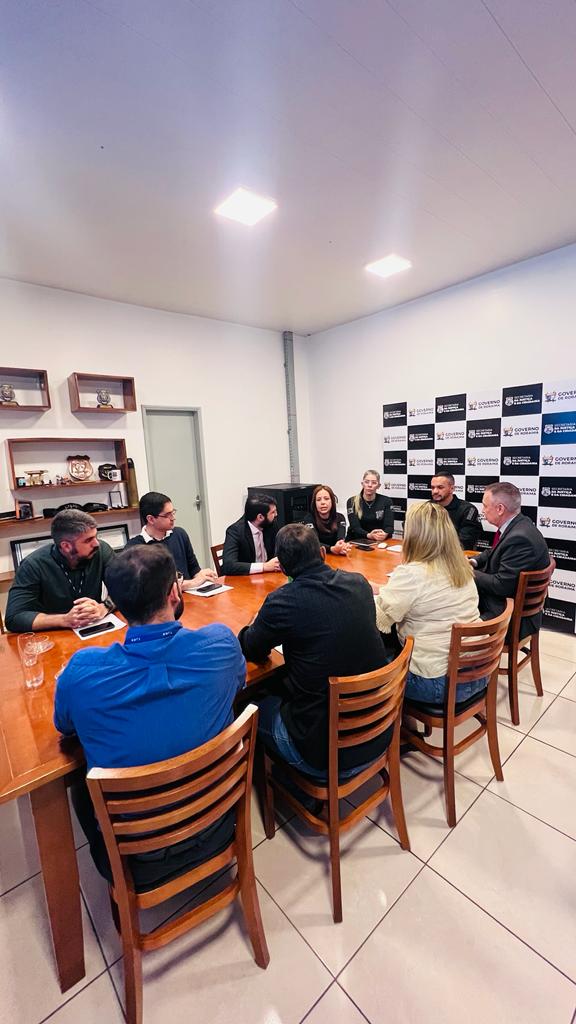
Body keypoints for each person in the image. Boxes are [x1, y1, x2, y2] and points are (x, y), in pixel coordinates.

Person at [54, 544, 246, 889]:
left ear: (116, 605)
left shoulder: (82, 672)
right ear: (175, 591)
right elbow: (239, 684)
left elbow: (64, 726)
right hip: (220, 820)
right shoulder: (220, 643)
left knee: (79, 787)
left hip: (139, 858)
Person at [238, 523, 392, 777]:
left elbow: (252, 649)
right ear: (322, 553)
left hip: (326, 752)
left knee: (251, 709)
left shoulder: (283, 601)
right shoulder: (358, 583)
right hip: (379, 728)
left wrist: (254, 623)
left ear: (284, 568)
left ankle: (267, 789)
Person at [375, 501, 485, 704]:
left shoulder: (411, 574)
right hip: (479, 672)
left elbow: (380, 617)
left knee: (372, 662)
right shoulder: (462, 566)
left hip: (437, 683)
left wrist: (364, 592)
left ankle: (397, 727)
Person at [5, 508, 115, 633]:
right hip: (54, 635)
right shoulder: (33, 565)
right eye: (88, 540)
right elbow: (14, 617)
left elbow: (126, 588)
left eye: (96, 536)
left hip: (95, 628)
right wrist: (64, 620)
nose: (96, 544)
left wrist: (104, 607)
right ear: (66, 546)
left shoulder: (101, 551)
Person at [471, 482, 550, 636]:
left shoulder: (520, 538)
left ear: (500, 509)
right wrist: (473, 561)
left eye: (485, 506)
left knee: (453, 616)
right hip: (507, 604)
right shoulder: (519, 524)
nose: (483, 510)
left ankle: (474, 657)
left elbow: (502, 585)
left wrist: (467, 572)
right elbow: (494, 551)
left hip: (510, 617)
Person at [125, 491, 217, 589]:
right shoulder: (135, 547)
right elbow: (153, 588)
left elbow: (194, 569)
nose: (173, 518)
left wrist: (202, 576)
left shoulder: (180, 534)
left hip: (190, 595)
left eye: (173, 512)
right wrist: (193, 583)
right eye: (168, 515)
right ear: (151, 519)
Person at [222, 493, 280, 575]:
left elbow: (280, 550)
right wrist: (264, 567)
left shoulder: (271, 524)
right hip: (245, 579)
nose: (276, 514)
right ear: (260, 517)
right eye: (273, 512)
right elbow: (229, 566)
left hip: (269, 576)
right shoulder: (235, 531)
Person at [430, 473, 482, 549]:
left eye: (440, 487)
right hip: (427, 555)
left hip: (455, 557)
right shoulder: (427, 507)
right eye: (432, 488)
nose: (435, 491)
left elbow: (465, 542)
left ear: (452, 489)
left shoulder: (469, 510)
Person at [301, 484, 351, 556]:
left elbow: (340, 539)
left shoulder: (340, 517)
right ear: (314, 503)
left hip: (336, 555)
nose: (322, 502)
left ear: (332, 501)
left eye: (326, 499)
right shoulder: (309, 519)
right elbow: (313, 542)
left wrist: (341, 546)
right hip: (317, 557)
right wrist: (331, 549)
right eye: (318, 500)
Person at [346, 470, 394, 542]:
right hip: (356, 540)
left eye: (374, 483)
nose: (370, 485)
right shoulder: (352, 501)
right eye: (367, 482)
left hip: (378, 541)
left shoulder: (386, 501)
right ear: (362, 484)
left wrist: (384, 534)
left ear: (378, 486)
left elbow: (389, 527)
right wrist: (369, 535)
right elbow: (355, 527)